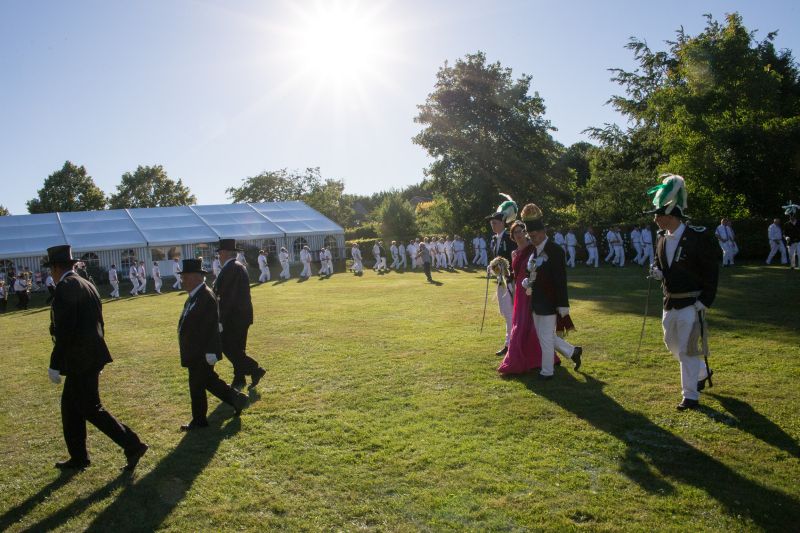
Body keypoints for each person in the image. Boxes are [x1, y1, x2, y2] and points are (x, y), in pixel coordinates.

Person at [44, 245, 148, 471]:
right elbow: (99, 322)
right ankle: (79, 457)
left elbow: (65, 330)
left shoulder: (65, 287)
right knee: (71, 408)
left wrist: (55, 363)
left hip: (80, 359)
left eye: (50, 268)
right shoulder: (85, 283)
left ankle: (132, 444)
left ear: (56, 267)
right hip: (90, 354)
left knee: (90, 408)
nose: (51, 273)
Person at [646, 174, 719, 411]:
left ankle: (690, 395)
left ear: (671, 216)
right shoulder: (661, 238)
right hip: (670, 302)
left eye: (658, 215)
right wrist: (658, 272)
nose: (655, 219)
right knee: (671, 343)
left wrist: (705, 300)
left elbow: (711, 270)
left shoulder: (697, 237)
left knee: (687, 350)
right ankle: (701, 372)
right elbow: (660, 263)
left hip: (692, 302)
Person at [177, 258, 249, 431]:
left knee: (197, 385)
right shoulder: (194, 296)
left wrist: (211, 351)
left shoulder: (205, 296)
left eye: (185, 277)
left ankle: (199, 421)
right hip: (195, 351)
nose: (182, 281)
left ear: (196, 277)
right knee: (208, 381)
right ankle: (237, 399)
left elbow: (211, 327)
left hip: (201, 352)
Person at [521, 206, 582, 379]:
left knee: (546, 338)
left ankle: (547, 372)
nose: (532, 239)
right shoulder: (534, 250)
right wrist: (527, 281)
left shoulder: (555, 250)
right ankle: (573, 352)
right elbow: (530, 272)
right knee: (544, 336)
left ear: (543, 232)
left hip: (550, 300)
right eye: (530, 236)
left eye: (534, 236)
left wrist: (563, 304)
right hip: (536, 300)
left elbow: (560, 279)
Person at [213, 239, 267, 391]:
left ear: (225, 253)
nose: (219, 256)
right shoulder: (234, 267)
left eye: (220, 253)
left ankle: (255, 369)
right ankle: (239, 378)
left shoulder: (232, 268)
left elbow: (228, 297)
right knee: (237, 348)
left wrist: (221, 319)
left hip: (234, 316)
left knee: (228, 347)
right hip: (240, 315)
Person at [498, 218, 542, 375]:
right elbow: (515, 274)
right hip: (519, 292)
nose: (519, 234)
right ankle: (522, 356)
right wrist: (502, 270)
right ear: (512, 235)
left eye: (521, 231)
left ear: (526, 232)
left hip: (532, 289)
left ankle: (535, 358)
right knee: (520, 322)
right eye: (515, 232)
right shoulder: (514, 253)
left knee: (531, 323)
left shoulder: (533, 249)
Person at [487, 194, 518, 356]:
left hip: (511, 281)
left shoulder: (509, 237)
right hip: (501, 281)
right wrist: (492, 267)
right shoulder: (494, 239)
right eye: (492, 223)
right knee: (506, 313)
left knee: (510, 313)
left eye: (495, 223)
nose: (493, 225)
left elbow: (515, 258)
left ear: (503, 223)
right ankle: (509, 343)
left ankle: (510, 344)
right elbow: (495, 259)